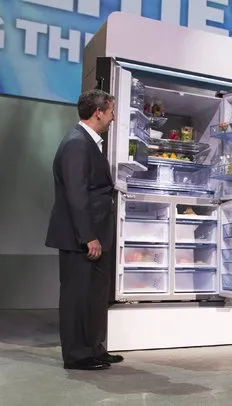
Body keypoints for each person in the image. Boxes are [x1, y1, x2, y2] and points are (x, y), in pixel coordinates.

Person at [45, 89, 123, 370]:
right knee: (77, 297)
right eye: (112, 111)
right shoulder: (77, 143)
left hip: (96, 235)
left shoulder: (89, 143)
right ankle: (77, 356)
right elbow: (77, 194)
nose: (114, 117)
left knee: (95, 296)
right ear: (98, 112)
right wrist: (88, 236)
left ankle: (95, 348)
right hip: (81, 237)